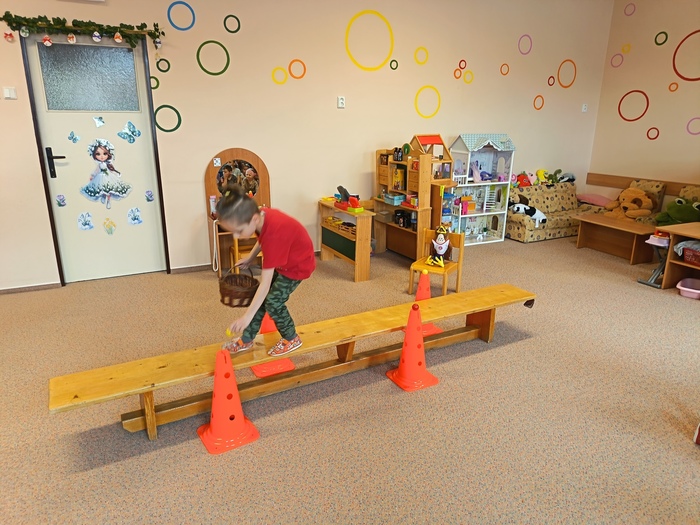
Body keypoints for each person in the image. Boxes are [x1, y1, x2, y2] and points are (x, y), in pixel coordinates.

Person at [216, 185, 315, 356]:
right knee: (261, 299)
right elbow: (263, 237)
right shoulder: (260, 215)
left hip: (297, 266)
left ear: (254, 219)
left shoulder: (274, 234)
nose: (236, 236)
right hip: (284, 259)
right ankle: (247, 339)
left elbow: (265, 284)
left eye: (239, 231)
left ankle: (291, 338)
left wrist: (246, 317)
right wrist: (250, 257)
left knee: (272, 302)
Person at [80, 139, 131, 209]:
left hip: (108, 176)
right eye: (98, 154)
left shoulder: (107, 164)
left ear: (108, 154)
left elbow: (111, 170)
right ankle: (103, 196)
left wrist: (115, 174)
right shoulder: (99, 164)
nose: (102, 156)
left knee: (109, 189)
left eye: (105, 154)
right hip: (100, 176)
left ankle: (108, 201)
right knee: (101, 188)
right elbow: (96, 171)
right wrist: (93, 176)